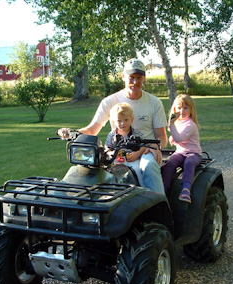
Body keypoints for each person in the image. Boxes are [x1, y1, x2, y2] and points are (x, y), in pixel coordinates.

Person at [57, 58, 167, 194]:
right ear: (123, 76)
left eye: (139, 77)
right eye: (131, 77)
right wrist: (71, 132)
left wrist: (156, 146)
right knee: (90, 171)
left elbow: (162, 136)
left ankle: (159, 206)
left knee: (149, 166)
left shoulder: (154, 102)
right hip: (118, 151)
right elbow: (92, 130)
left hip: (144, 150)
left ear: (144, 78)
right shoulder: (110, 101)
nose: (135, 82)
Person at [161, 94, 202, 203]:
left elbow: (179, 138)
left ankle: (185, 190)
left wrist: (171, 125)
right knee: (170, 163)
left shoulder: (190, 125)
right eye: (179, 108)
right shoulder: (177, 122)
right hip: (180, 152)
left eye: (185, 108)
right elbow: (176, 138)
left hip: (193, 153)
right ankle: (164, 189)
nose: (182, 111)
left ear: (191, 109)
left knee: (189, 163)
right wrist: (171, 138)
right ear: (174, 109)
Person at [105, 102, 146, 186]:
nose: (123, 123)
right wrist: (112, 153)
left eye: (126, 120)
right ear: (113, 121)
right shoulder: (112, 134)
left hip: (131, 159)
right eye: (119, 121)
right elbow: (107, 148)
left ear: (132, 119)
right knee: (107, 172)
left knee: (138, 170)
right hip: (116, 160)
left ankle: (142, 187)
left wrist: (137, 154)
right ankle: (111, 189)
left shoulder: (136, 133)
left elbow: (144, 146)